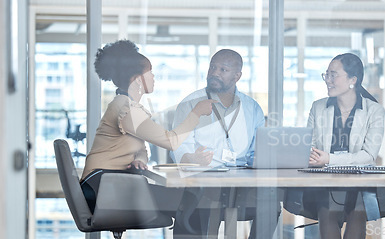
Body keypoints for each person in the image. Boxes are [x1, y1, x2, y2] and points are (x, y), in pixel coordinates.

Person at [80, 40, 215, 216]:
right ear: (136, 79)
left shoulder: (127, 106)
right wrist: (196, 113)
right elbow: (170, 141)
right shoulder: (126, 109)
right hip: (101, 188)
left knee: (191, 200)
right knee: (191, 201)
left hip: (110, 184)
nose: (154, 77)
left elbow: (142, 148)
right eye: (150, 72)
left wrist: (140, 159)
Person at [171, 49, 278, 238]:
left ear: (237, 76)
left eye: (223, 69)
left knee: (271, 203)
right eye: (212, 67)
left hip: (241, 186)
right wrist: (192, 159)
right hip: (202, 182)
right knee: (199, 208)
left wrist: (263, 160)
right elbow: (178, 147)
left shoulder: (252, 108)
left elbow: (257, 152)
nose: (214, 73)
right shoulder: (190, 104)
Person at [305, 53, 385, 239]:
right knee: (327, 215)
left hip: (359, 185)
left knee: (358, 212)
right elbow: (308, 146)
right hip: (326, 184)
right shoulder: (318, 107)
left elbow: (368, 155)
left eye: (334, 75)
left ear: (353, 80)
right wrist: (313, 156)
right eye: (326, 74)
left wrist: (329, 158)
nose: (328, 80)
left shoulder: (374, 111)